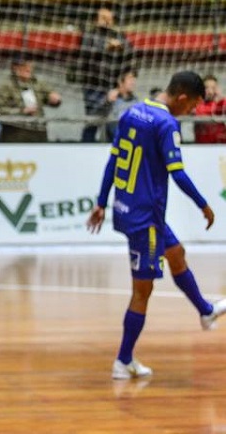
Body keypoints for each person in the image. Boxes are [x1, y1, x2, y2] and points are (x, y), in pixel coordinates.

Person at [87, 71, 226, 380]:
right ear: (182, 97)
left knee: (176, 253)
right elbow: (178, 173)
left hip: (130, 208)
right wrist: (204, 205)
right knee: (142, 291)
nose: (190, 112)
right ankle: (123, 361)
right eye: (192, 106)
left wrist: (101, 201)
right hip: (145, 219)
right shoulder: (166, 123)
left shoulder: (132, 112)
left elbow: (113, 159)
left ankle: (205, 311)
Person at [75, 7, 134, 142]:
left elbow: (130, 51)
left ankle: (113, 146)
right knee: (93, 119)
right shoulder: (89, 35)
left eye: (109, 19)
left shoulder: (118, 36)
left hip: (113, 86)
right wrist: (106, 48)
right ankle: (86, 146)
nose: (107, 21)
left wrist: (121, 47)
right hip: (93, 86)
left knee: (114, 120)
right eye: (103, 18)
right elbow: (85, 54)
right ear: (96, 20)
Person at [0, 56, 62, 142]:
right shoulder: (6, 85)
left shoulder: (38, 83)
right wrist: (22, 111)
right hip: (15, 133)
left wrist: (55, 100)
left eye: (29, 65)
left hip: (38, 130)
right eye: (23, 66)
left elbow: (51, 99)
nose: (28, 68)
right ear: (14, 68)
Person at [103, 69, 139, 142]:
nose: (133, 82)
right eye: (130, 78)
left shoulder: (135, 100)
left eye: (134, 79)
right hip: (114, 132)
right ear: (120, 81)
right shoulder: (112, 96)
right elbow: (98, 112)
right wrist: (107, 101)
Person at [193, 73, 226, 143]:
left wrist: (220, 99)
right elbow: (200, 113)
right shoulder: (196, 104)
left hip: (221, 144)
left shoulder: (222, 103)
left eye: (213, 88)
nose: (210, 91)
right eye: (207, 88)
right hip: (202, 145)